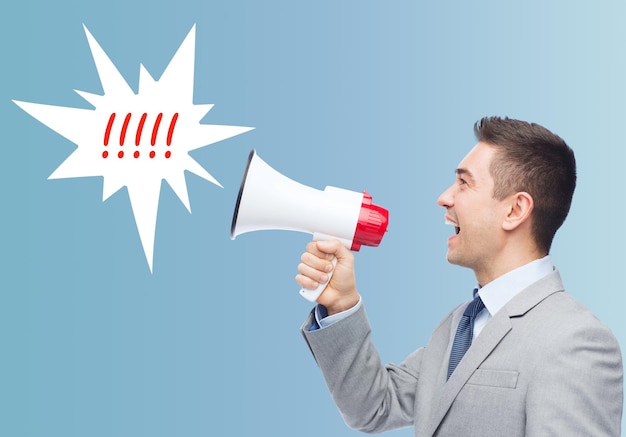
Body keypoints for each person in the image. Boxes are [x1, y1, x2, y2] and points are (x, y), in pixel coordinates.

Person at [296, 116, 623, 436]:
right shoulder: (456, 327)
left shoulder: (576, 341)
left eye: (464, 183)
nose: (444, 198)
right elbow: (374, 408)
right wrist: (341, 305)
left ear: (515, 210)